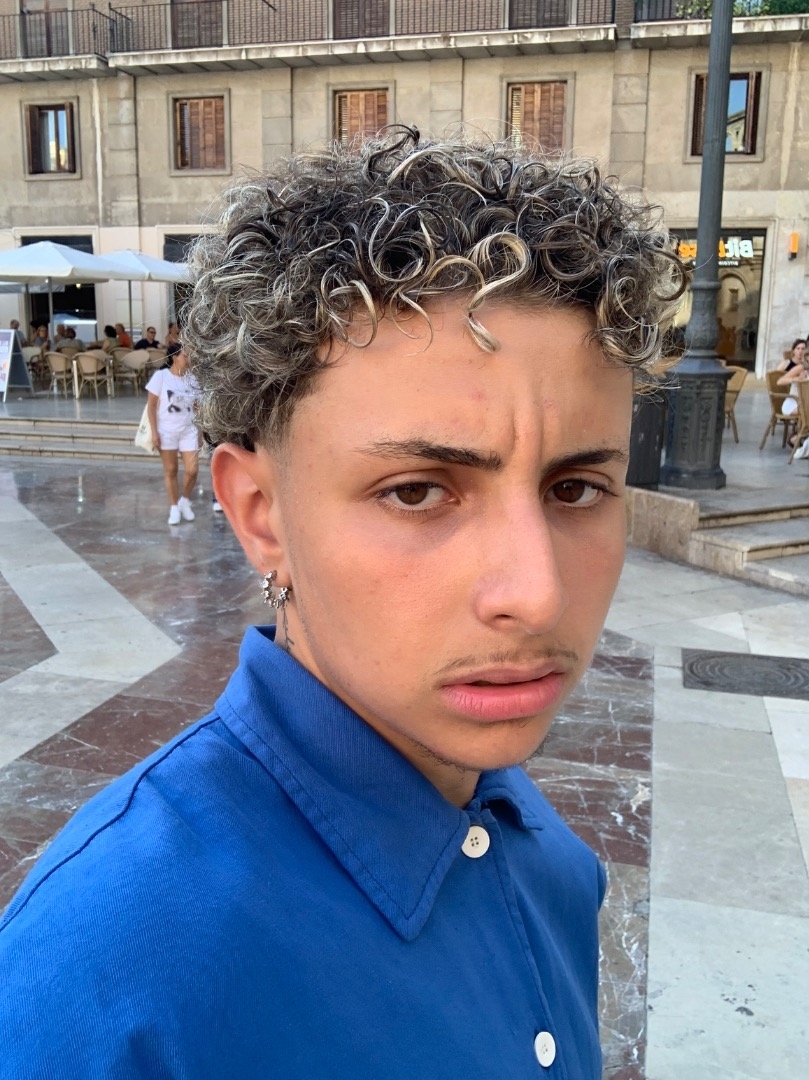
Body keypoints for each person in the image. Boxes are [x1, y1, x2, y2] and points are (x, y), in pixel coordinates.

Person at [0, 131, 685, 1079]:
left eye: (575, 489)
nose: (536, 595)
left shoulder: (547, 857)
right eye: (417, 491)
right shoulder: (103, 975)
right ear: (260, 514)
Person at [145, 348, 200, 525]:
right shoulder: (161, 377)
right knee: (171, 470)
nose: (189, 359)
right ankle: (174, 507)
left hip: (188, 430)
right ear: (175, 357)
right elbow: (151, 406)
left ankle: (184, 500)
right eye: (185, 355)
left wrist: (200, 432)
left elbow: (198, 407)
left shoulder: (193, 379)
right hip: (166, 431)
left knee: (192, 470)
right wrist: (154, 432)